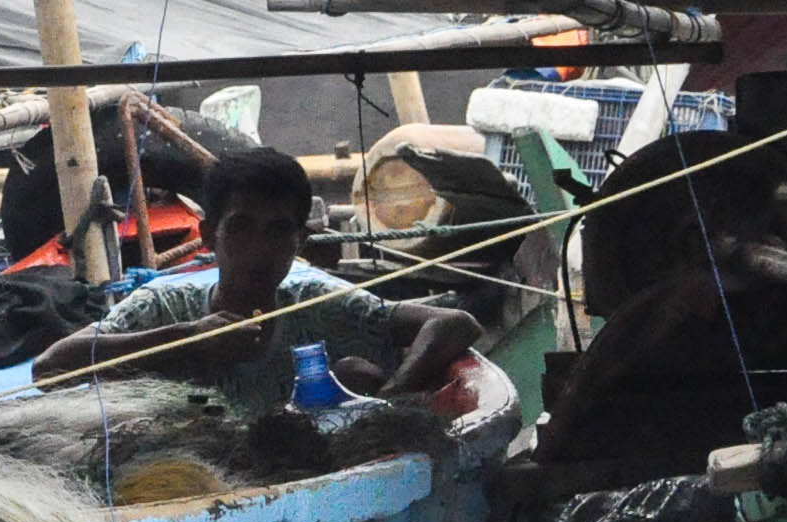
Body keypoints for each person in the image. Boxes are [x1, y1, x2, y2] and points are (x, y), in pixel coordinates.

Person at [34, 146, 479, 413]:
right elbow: (49, 369)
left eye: (279, 231)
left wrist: (392, 395)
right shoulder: (163, 308)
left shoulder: (319, 305)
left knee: (357, 375)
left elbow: (454, 322)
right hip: (183, 491)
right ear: (209, 235)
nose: (259, 249)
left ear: (301, 240)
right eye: (241, 228)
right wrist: (188, 341)